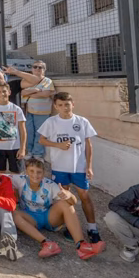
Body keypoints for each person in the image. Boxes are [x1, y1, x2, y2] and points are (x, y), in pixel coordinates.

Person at [12, 158, 106, 260]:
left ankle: (82, 246)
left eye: (39, 172)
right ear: (26, 171)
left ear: (43, 173)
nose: (35, 175)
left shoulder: (50, 185)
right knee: (14, 214)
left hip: (48, 216)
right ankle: (47, 244)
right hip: (30, 218)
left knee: (65, 204)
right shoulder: (20, 179)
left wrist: (68, 195)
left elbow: (73, 202)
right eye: (31, 171)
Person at [38, 92, 101, 243]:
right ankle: (69, 226)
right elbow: (42, 140)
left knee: (84, 196)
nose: (64, 108)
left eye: (67, 104)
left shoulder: (82, 121)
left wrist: (89, 166)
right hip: (60, 167)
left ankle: (92, 228)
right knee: (65, 198)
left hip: (79, 168)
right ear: (55, 106)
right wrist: (57, 145)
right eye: (60, 105)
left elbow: (88, 145)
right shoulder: (51, 122)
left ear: (73, 104)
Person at [0, 83, 26, 174]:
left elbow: (23, 130)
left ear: (9, 92)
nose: (2, 94)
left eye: (4, 91)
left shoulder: (17, 109)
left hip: (15, 147)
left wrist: (22, 148)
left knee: (17, 173)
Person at [21, 61, 54, 159]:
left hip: (42, 111)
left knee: (40, 132)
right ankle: (29, 151)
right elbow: (23, 92)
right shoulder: (27, 80)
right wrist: (35, 90)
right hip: (28, 110)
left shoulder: (47, 81)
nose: (37, 69)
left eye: (40, 67)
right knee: (29, 131)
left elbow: (46, 94)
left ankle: (38, 153)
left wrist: (29, 93)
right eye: (35, 67)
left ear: (44, 70)